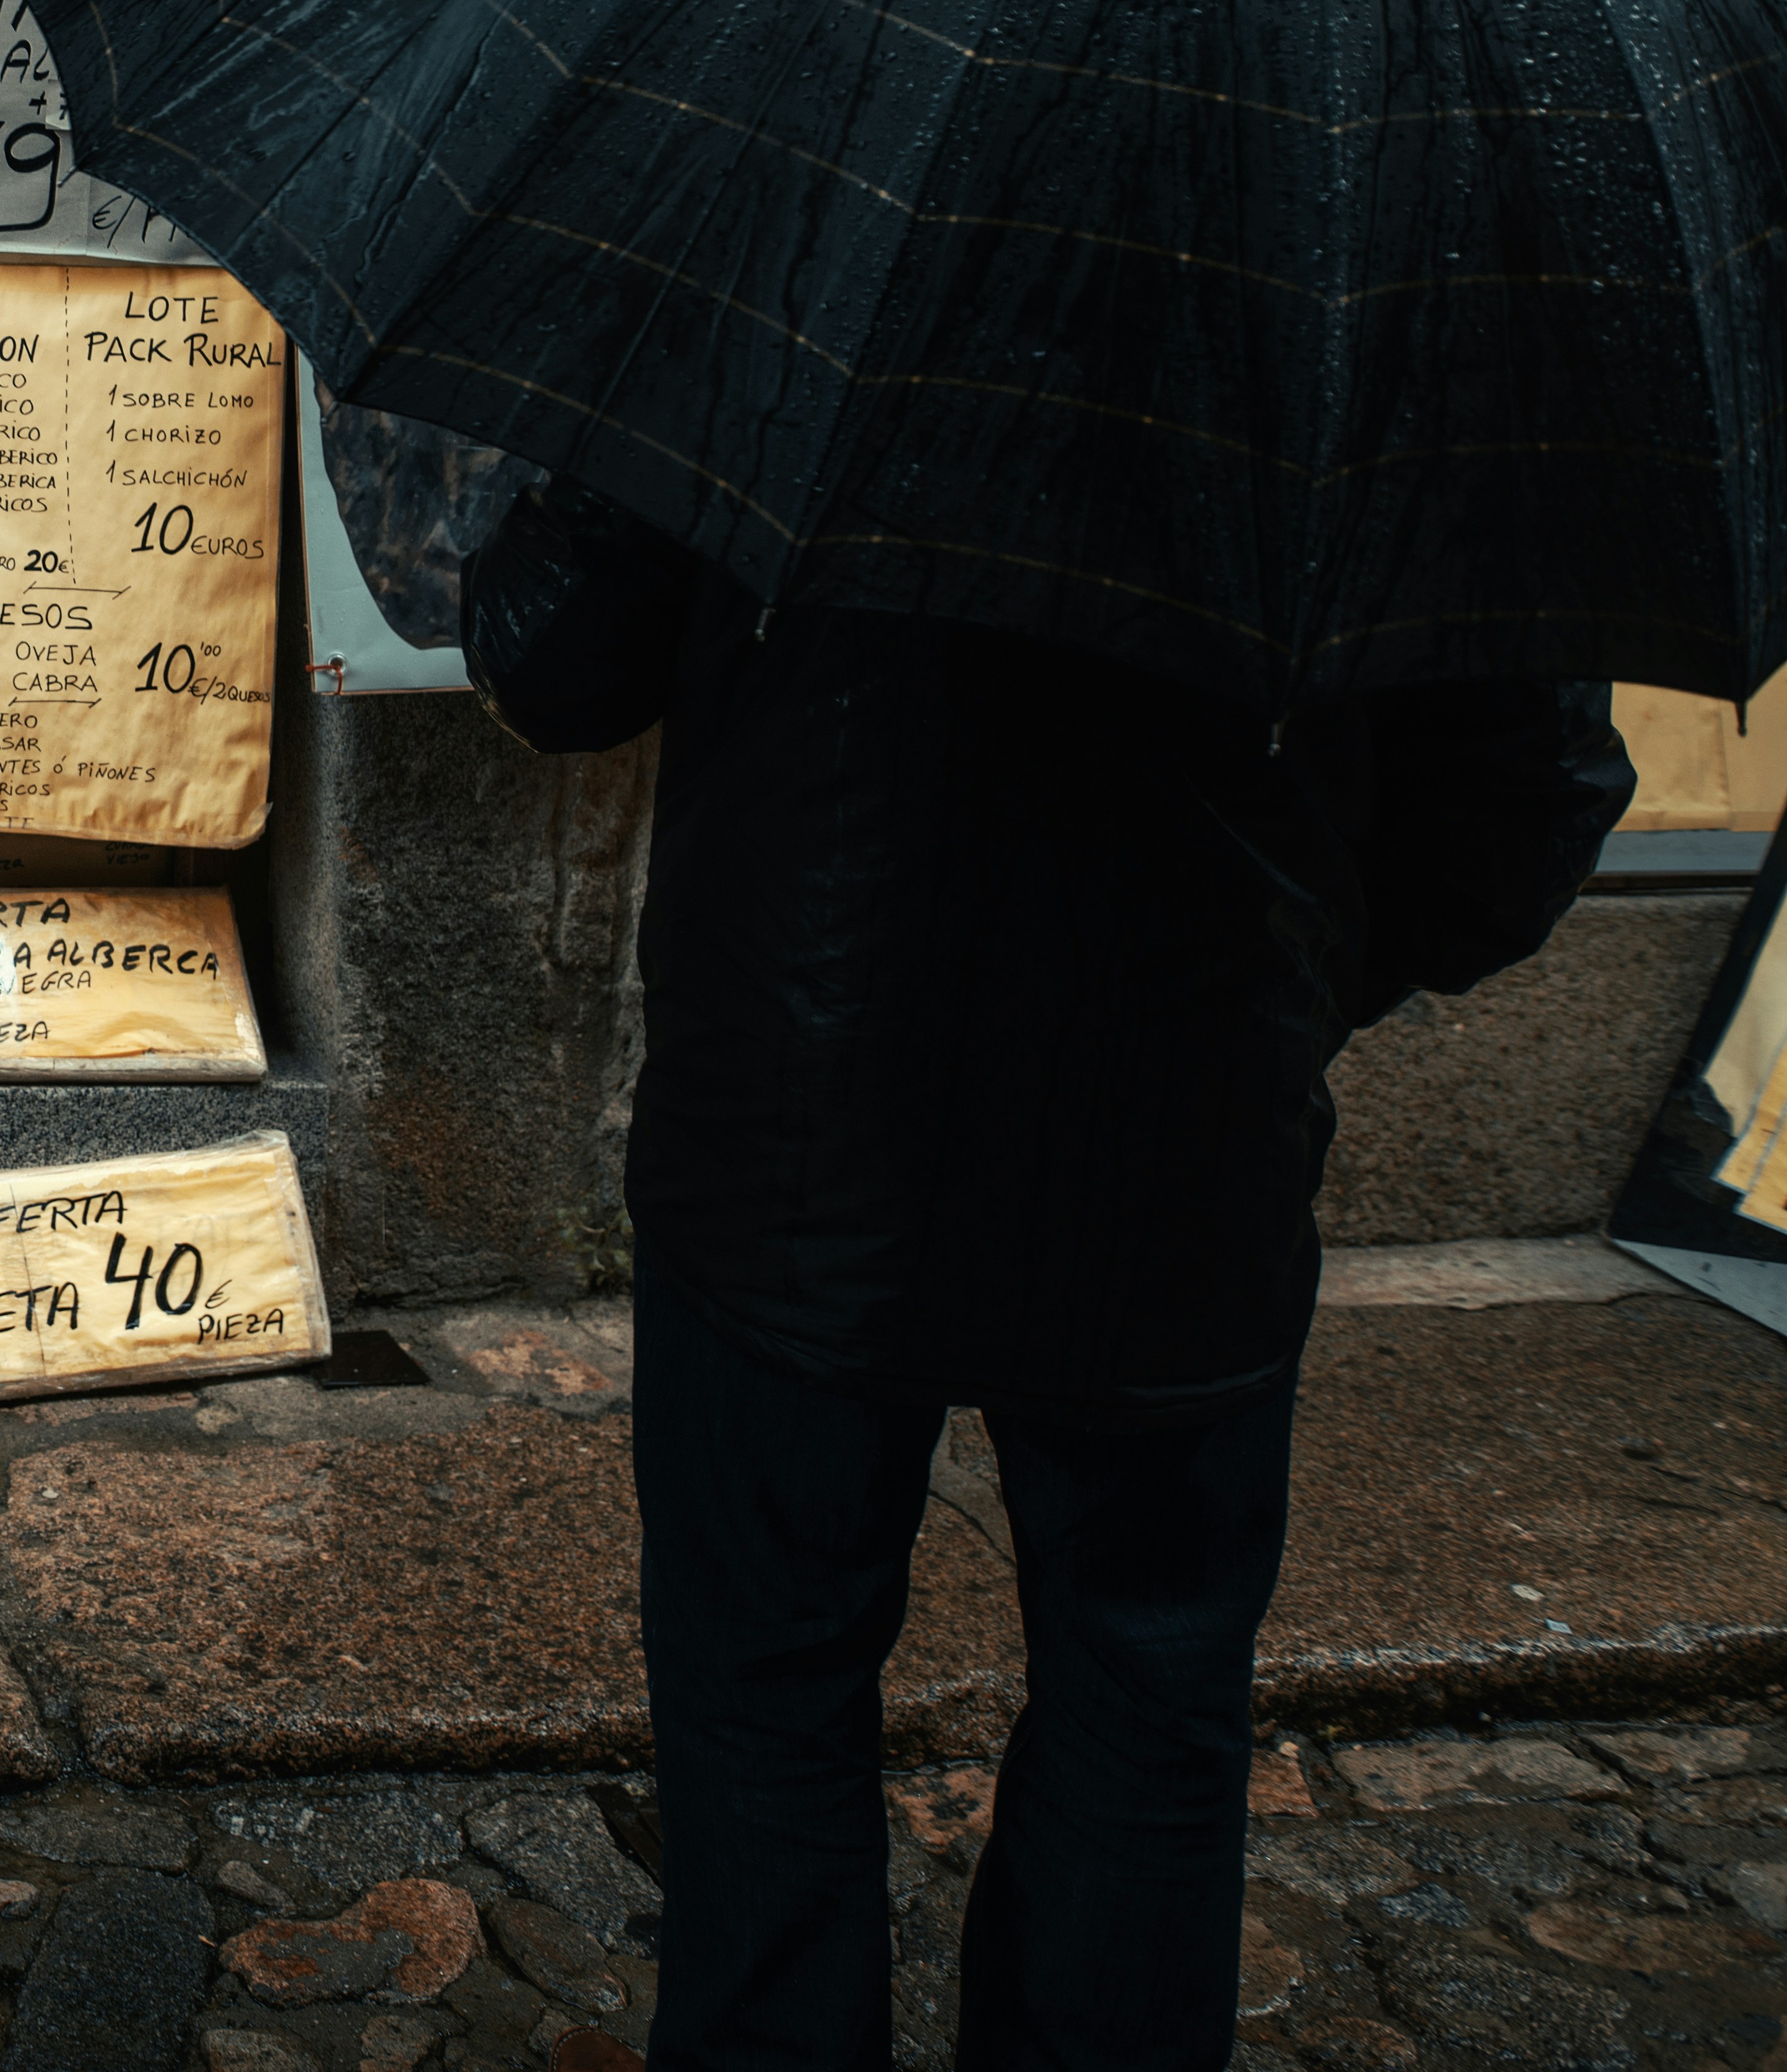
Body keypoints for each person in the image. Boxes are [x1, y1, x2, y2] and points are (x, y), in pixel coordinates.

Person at [462, 482, 1630, 2071]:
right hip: (1178, 1131)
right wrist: (1286, 978)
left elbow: (556, 659)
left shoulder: (816, 273)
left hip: (800, 1114)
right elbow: (1526, 801)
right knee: (1148, 1696)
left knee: (765, 1682)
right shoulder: (1393, 349)